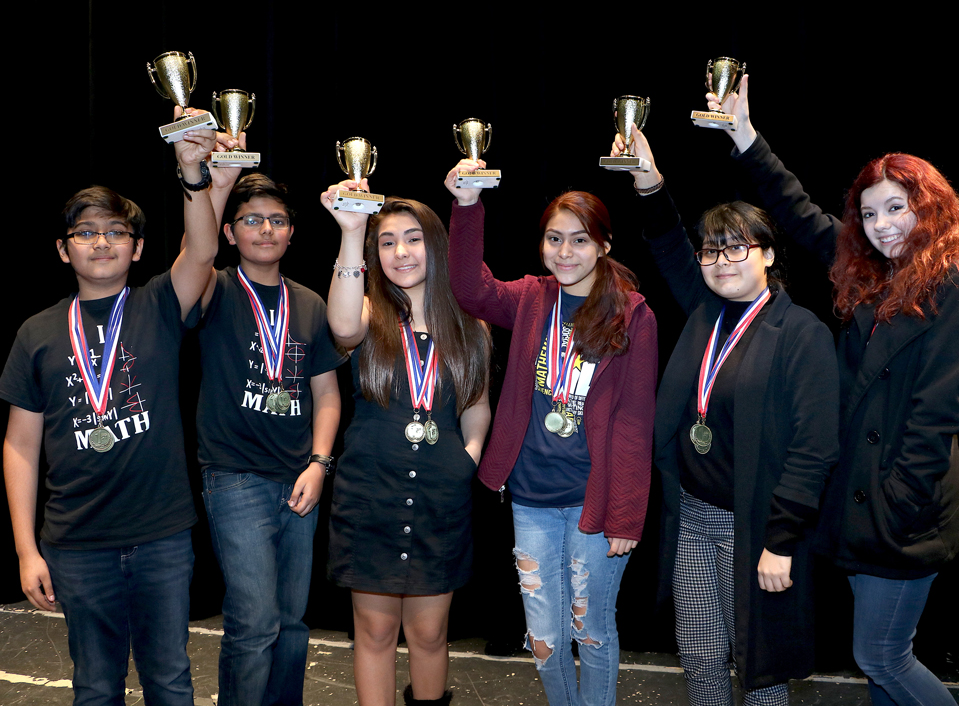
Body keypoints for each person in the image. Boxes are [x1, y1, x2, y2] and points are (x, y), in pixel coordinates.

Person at [710, 75, 959, 706]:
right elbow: (802, 213)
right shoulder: (876, 276)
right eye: (869, 213)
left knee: (881, 655)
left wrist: (895, 501)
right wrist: (744, 137)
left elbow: (937, 415)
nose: (882, 224)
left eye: (898, 207)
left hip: (904, 510)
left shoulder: (954, 284)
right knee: (880, 666)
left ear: (931, 208)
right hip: (863, 502)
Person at [609, 127, 840, 705]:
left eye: (737, 247)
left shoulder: (801, 333)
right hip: (692, 518)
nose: (720, 261)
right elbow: (665, 239)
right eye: (711, 250)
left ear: (767, 255)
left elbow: (815, 450)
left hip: (759, 526)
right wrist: (648, 181)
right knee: (701, 656)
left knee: (759, 667)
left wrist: (781, 541)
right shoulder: (704, 313)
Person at [1, 107, 222, 705]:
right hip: (76, 541)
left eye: (116, 232)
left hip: (161, 535)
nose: (101, 242)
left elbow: (201, 253)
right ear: (62, 249)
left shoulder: (157, 306)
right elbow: (20, 445)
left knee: (170, 680)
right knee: (95, 686)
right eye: (85, 232)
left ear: (138, 247)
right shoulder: (38, 332)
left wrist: (192, 173)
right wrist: (27, 549)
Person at [445, 157, 658, 706]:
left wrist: (627, 514)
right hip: (532, 497)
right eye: (554, 239)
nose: (564, 253)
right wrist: (467, 206)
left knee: (593, 630)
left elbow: (635, 422)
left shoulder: (632, 315)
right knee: (545, 639)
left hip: (596, 500)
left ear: (604, 246)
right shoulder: (532, 298)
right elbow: (470, 290)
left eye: (579, 241)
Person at [322, 179, 492, 706]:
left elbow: (477, 405)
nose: (401, 251)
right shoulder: (368, 316)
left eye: (413, 238)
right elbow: (341, 324)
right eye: (387, 241)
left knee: (429, 635)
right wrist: (352, 232)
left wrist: (469, 458)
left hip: (441, 501)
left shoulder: (471, 326)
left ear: (436, 246)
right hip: (370, 498)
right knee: (373, 635)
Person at [192, 166, 346, 706]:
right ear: (230, 232)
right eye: (251, 220)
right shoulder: (213, 288)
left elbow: (327, 394)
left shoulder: (309, 303)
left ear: (291, 232)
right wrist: (211, 187)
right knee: (254, 623)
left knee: (293, 623)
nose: (265, 229)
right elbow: (195, 250)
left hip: (299, 479)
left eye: (276, 220)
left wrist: (319, 464)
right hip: (235, 477)